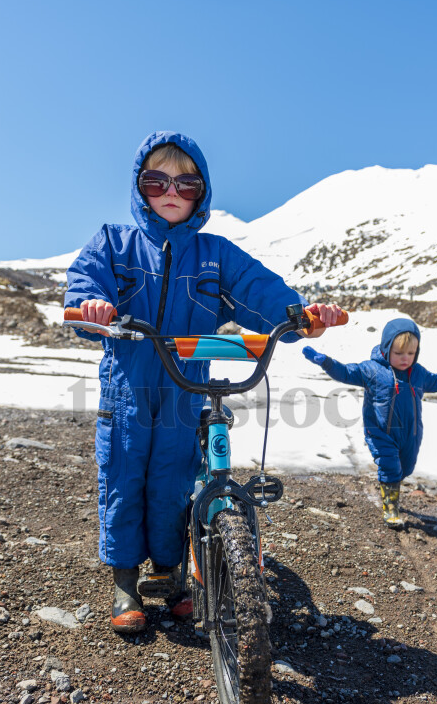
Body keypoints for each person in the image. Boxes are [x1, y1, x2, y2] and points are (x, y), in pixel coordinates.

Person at [65, 130, 343, 632]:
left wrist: (299, 315)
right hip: (128, 383)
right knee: (125, 475)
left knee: (173, 477)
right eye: (156, 181)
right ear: (138, 187)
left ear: (202, 192)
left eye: (186, 184)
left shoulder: (216, 254)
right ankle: (125, 580)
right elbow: (86, 280)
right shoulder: (115, 242)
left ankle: (169, 573)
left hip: (185, 383)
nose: (171, 192)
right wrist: (92, 306)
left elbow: (260, 290)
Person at [302, 317, 437, 528]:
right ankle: (391, 509)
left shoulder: (418, 373)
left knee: (406, 468)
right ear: (386, 349)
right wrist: (326, 362)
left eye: (411, 353)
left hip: (410, 433)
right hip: (380, 431)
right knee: (390, 467)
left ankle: (391, 488)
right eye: (399, 353)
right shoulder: (372, 370)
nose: (405, 358)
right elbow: (347, 372)